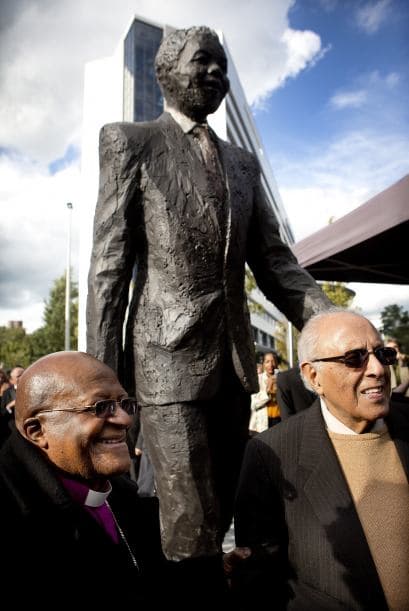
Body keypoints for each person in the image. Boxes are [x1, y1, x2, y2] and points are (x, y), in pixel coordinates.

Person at [86, 24, 332, 571]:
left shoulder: (243, 164)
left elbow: (275, 262)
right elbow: (108, 271)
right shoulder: (131, 143)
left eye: (222, 63)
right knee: (189, 526)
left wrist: (330, 324)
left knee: (217, 515)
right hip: (165, 366)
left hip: (232, 367)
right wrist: (99, 389)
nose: (216, 73)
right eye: (204, 61)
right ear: (166, 71)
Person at [231, 310, 409, 610]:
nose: (377, 369)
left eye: (381, 354)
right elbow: (259, 580)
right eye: (354, 358)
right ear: (314, 376)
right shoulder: (271, 454)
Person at [0, 351, 169, 605]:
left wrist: (215, 571)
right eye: (101, 407)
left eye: (125, 404)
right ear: (38, 430)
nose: (125, 420)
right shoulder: (15, 509)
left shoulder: (122, 495)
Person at [249, 351, 281, 433]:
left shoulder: (282, 379)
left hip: (280, 421)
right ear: (263, 364)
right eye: (267, 362)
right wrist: (267, 392)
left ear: (277, 363)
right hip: (262, 424)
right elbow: (253, 404)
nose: (270, 365)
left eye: (273, 361)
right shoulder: (258, 379)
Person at [0, 364, 24, 445]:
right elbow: (2, 414)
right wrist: (9, 406)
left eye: (23, 374)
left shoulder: (34, 389)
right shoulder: (7, 393)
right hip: (13, 433)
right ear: (12, 379)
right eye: (18, 376)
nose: (22, 377)